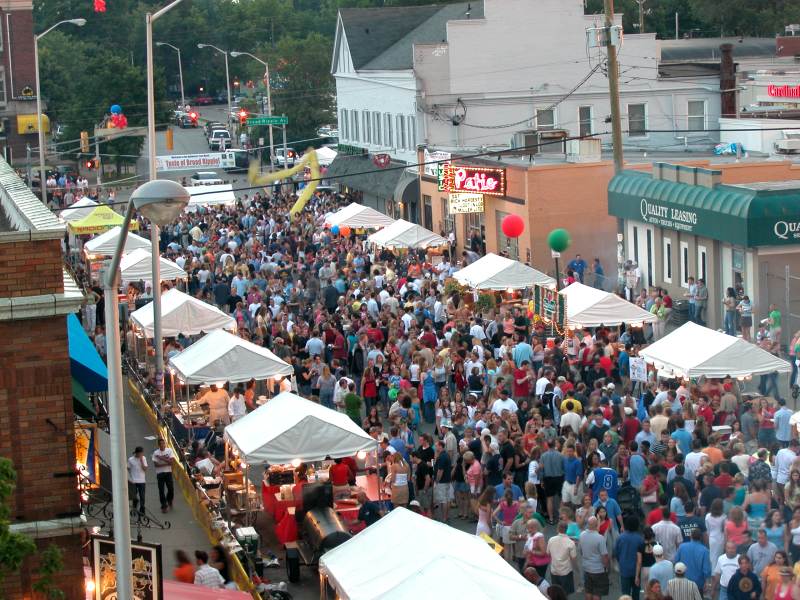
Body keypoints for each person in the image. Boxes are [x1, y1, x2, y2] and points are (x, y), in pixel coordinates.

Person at [615, 515, 645, 600]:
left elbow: (616, 553)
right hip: (636, 570)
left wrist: (620, 561)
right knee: (636, 593)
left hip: (624, 568)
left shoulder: (620, 538)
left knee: (625, 594)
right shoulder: (639, 539)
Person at [579, 517, 610, 600]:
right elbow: (604, 556)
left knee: (588, 591)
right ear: (597, 525)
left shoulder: (582, 535)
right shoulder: (600, 538)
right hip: (598, 569)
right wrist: (606, 567)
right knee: (597, 592)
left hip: (586, 568)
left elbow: (581, 551)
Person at [673, 529, 711, 594]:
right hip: (698, 584)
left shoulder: (682, 547)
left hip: (682, 581)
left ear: (690, 536)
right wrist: (707, 582)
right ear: (700, 538)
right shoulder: (705, 550)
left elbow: (675, 562)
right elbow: (706, 570)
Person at [547, 520, 577, 595]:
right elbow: (573, 558)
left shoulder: (551, 540)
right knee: (565, 593)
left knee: (556, 593)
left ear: (557, 528)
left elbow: (547, 553)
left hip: (554, 570)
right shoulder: (570, 542)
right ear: (566, 529)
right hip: (566, 571)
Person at [152, 437, 175, 513]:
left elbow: (171, 462)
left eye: (163, 443)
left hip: (168, 472)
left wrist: (161, 458)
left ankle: (169, 500)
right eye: (161, 444)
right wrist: (166, 463)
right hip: (160, 473)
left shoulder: (169, 450)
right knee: (161, 490)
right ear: (159, 445)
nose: (162, 445)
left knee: (170, 488)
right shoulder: (156, 453)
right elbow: (156, 465)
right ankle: (164, 506)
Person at [127, 446, 147, 515]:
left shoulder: (143, 458)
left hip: (142, 481)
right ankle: (134, 508)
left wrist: (141, 461)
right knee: (134, 496)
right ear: (136, 453)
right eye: (140, 453)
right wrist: (130, 476)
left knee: (142, 496)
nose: (141, 455)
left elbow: (145, 469)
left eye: (141, 453)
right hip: (134, 481)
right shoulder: (131, 459)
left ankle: (142, 510)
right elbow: (128, 468)